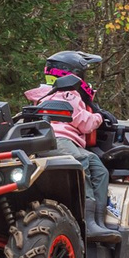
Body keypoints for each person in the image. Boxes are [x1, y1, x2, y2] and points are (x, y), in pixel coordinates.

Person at [25, 50, 114, 231]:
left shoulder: (42, 95)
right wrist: (99, 116)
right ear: (74, 74)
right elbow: (84, 123)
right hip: (60, 139)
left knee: (98, 169)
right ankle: (89, 221)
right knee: (81, 162)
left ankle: (97, 220)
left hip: (62, 141)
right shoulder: (68, 95)